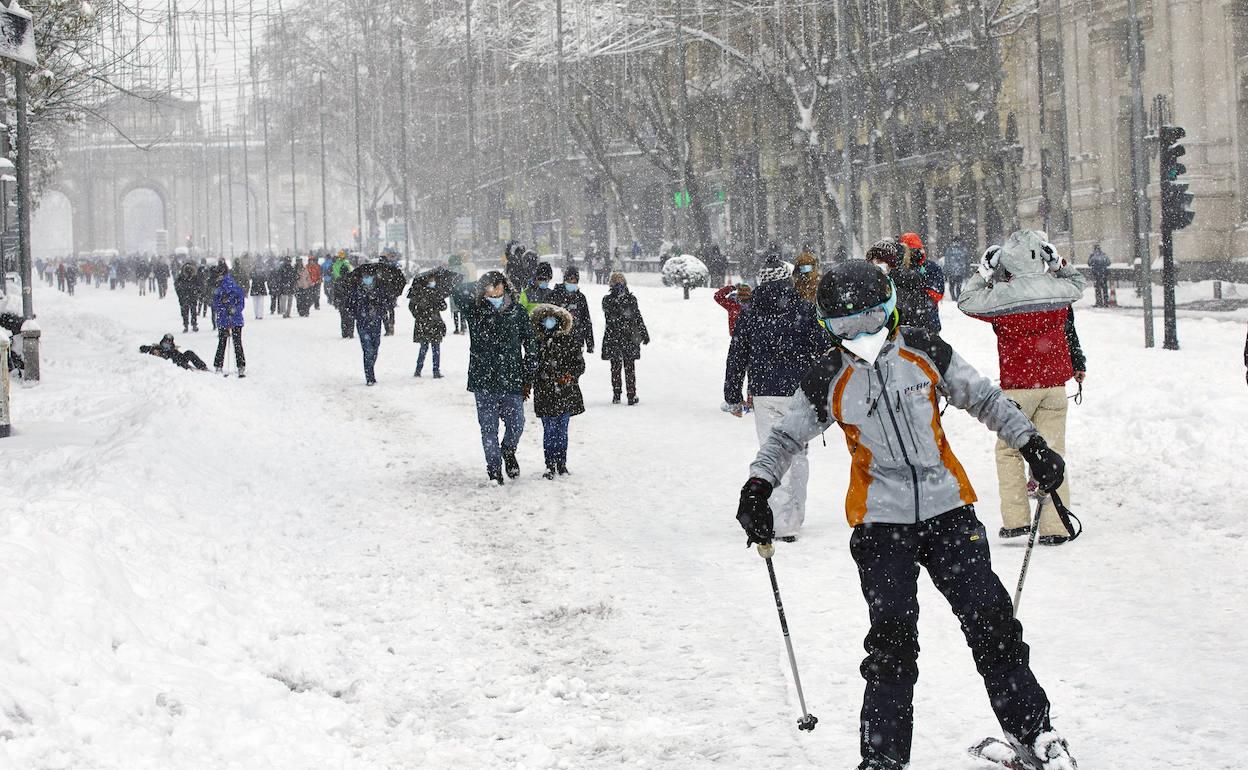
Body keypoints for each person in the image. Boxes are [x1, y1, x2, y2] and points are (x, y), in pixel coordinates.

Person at [736, 259, 1078, 770]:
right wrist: (758, 485)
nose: (861, 335)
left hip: (949, 512)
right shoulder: (829, 375)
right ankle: (883, 759)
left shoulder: (924, 350)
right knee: (892, 646)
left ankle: (1033, 733)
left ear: (891, 310)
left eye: (871, 319)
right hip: (880, 525)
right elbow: (785, 436)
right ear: (828, 326)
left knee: (993, 624)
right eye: (846, 326)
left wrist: (1032, 444)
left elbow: (984, 398)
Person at [958, 230, 1087, 546]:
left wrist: (984, 272)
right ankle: (1055, 526)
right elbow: (1078, 284)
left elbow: (966, 301)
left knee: (1009, 450)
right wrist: (1057, 263)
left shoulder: (1003, 295)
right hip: (1054, 385)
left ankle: (1016, 521)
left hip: (1018, 385)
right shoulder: (1056, 289)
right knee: (1053, 452)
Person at [722, 254, 823, 542]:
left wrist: (733, 394)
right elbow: (822, 349)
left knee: (773, 452)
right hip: (799, 391)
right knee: (799, 454)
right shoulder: (804, 309)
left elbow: (737, 355)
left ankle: (780, 520)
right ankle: (794, 516)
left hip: (765, 391)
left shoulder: (750, 312)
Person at [453, 271, 538, 484]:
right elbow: (457, 292)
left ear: (505, 286)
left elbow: (530, 341)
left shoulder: (517, 311)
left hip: (512, 378)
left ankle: (508, 450)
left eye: (497, 285)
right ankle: (494, 469)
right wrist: (479, 284)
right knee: (488, 429)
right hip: (483, 380)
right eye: (489, 286)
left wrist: (529, 370)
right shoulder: (475, 310)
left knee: (517, 424)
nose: (494, 290)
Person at [529, 303, 586, 479]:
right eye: (546, 319)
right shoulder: (536, 342)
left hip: (565, 392)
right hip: (545, 392)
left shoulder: (569, 340)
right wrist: (533, 380)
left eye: (552, 318)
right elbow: (530, 365)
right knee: (549, 430)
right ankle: (550, 464)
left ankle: (561, 463)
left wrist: (569, 376)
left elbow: (579, 364)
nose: (549, 321)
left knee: (562, 430)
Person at [340, 260, 405, 385]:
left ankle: (370, 368)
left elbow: (386, 303)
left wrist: (379, 305)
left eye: (369, 276)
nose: (367, 278)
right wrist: (357, 311)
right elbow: (349, 305)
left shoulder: (380, 289)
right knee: (367, 349)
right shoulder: (356, 289)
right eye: (365, 276)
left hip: (376, 322)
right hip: (362, 323)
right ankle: (369, 376)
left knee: (375, 348)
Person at [866, 238, 941, 332]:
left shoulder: (905, 281)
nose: (882, 265)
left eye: (887, 261)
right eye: (878, 260)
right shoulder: (868, 282)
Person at [600, 272, 650, 405]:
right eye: (616, 281)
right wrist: (621, 307)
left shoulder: (631, 299)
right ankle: (616, 394)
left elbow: (637, 316)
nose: (619, 284)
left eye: (621, 281)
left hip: (629, 337)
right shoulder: (607, 299)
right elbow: (610, 317)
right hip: (614, 337)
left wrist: (644, 333)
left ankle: (631, 395)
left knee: (630, 368)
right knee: (615, 367)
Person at [408, 268, 456, 378]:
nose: (433, 282)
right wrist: (420, 314)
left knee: (427, 348)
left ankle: (421, 370)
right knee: (432, 348)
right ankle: (432, 370)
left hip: (428, 323)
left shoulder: (422, 292)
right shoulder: (429, 292)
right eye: (431, 280)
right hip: (431, 322)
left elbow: (412, 306)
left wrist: (418, 315)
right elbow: (443, 307)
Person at [210, 264, 246, 377]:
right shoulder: (236, 287)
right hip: (235, 319)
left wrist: (224, 307)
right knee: (237, 343)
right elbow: (241, 304)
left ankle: (218, 365)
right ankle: (241, 366)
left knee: (222, 343)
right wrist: (234, 309)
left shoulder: (219, 288)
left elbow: (215, 305)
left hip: (224, 319)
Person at [549, 266, 594, 354]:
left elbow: (586, 320)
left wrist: (590, 343)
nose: (572, 284)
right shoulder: (554, 295)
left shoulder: (580, 298)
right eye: (570, 281)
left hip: (576, 340)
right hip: (558, 340)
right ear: (565, 280)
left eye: (575, 282)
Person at [139, 333, 208, 371]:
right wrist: (153, 351)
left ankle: (202, 367)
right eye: (165, 343)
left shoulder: (173, 350)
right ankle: (188, 368)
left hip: (179, 362)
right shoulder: (157, 348)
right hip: (171, 366)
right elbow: (142, 348)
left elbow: (181, 357)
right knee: (174, 360)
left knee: (189, 353)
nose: (166, 346)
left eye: (168, 344)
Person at [174, 263, 200, 333]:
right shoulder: (182, 277)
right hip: (187, 297)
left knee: (188, 312)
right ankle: (190, 325)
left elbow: (199, 286)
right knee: (190, 312)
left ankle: (189, 325)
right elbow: (177, 286)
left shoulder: (193, 277)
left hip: (188, 297)